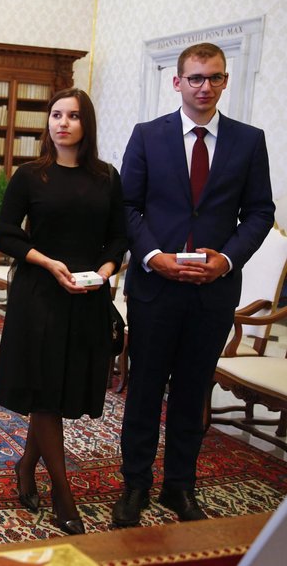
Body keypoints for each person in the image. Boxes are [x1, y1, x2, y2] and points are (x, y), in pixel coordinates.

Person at [113, 42, 274, 527]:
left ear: (225, 81)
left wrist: (226, 259)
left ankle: (180, 486)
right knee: (144, 390)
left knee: (192, 391)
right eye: (196, 77)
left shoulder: (249, 140)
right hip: (155, 289)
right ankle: (135, 484)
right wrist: (152, 257)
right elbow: (127, 206)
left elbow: (260, 212)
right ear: (177, 82)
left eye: (215, 77)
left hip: (212, 292)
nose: (205, 86)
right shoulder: (148, 136)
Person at [0, 88, 128, 535]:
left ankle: (25, 465)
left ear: (87, 124)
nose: (62, 123)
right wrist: (48, 263)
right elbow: (5, 233)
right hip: (40, 296)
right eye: (55, 115)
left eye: (72, 116)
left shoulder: (107, 177)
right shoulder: (31, 175)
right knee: (46, 392)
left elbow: (118, 236)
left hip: (87, 297)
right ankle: (62, 494)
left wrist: (104, 271)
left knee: (58, 390)